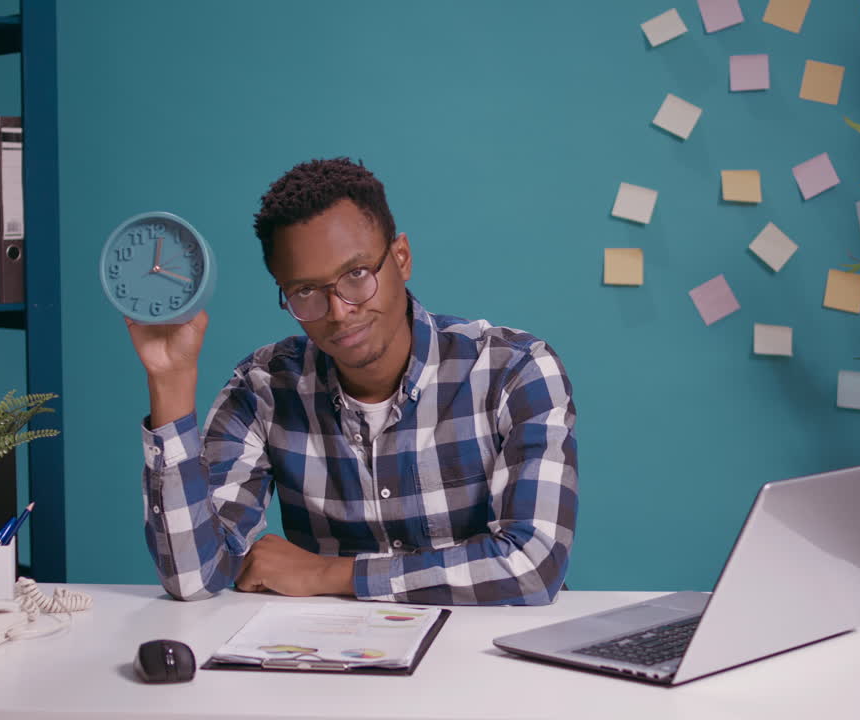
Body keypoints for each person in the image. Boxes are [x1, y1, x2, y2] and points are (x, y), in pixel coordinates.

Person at [128, 157, 578, 605]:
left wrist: (329, 573)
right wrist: (171, 379)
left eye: (357, 275)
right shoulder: (262, 389)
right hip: (329, 665)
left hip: (485, 663)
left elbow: (532, 567)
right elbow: (194, 577)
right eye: (306, 291)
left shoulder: (514, 371)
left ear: (401, 258)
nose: (340, 311)